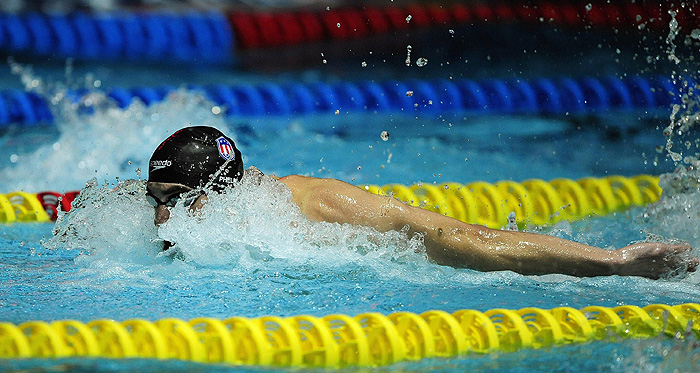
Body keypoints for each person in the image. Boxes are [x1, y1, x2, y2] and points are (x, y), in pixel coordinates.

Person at [146, 126, 698, 279]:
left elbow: (459, 239)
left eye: (173, 200)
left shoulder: (308, 207)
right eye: (154, 199)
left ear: (219, 194)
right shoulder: (160, 216)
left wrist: (614, 262)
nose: (159, 217)